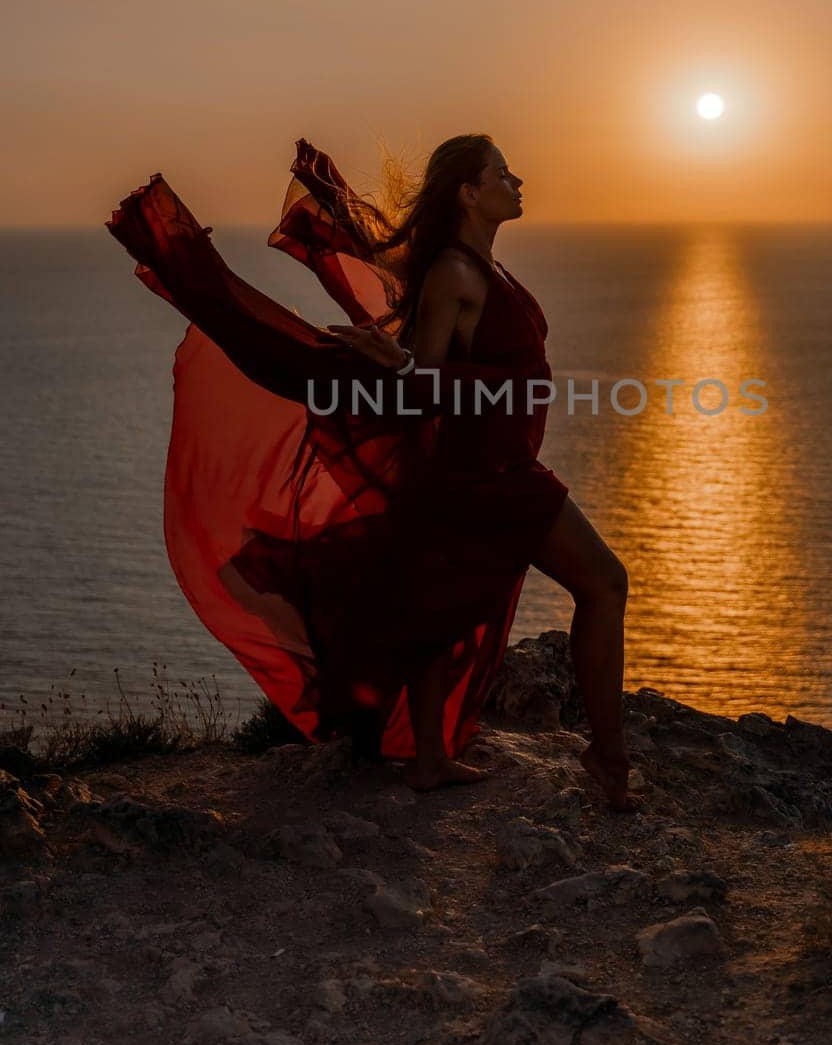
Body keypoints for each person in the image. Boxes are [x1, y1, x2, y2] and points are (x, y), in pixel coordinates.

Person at [106, 135, 634, 810]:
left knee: (439, 607)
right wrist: (402, 363)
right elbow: (422, 383)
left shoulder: (481, 266)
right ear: (469, 193)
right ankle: (608, 758)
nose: (518, 180)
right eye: (502, 173)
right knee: (604, 583)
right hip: (486, 475)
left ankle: (431, 760)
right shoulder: (455, 274)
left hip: (491, 466)